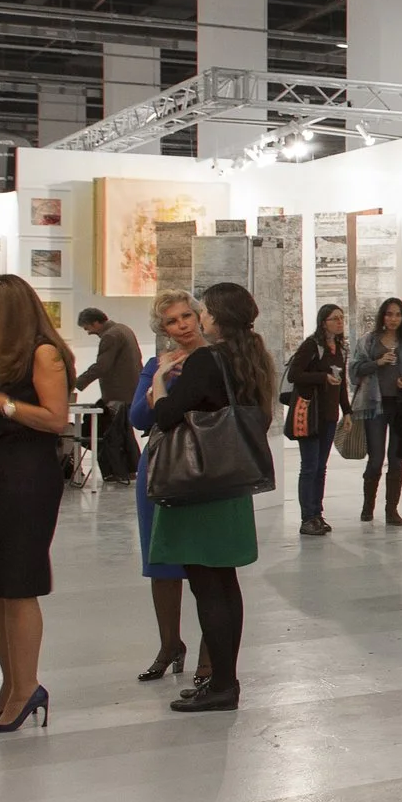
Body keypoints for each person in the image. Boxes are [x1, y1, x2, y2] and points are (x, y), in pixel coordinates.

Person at [146, 281, 274, 713]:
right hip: (229, 482)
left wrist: (161, 381)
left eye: (200, 312)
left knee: (208, 586)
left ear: (214, 317)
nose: (195, 319)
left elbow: (164, 415)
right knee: (225, 584)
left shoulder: (205, 359)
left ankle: (222, 686)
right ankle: (223, 680)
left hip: (198, 485)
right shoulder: (251, 357)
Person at [0, 274, 72, 734]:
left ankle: (26, 688)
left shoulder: (43, 354)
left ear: (8, 310)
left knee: (18, 580)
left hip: (30, 473)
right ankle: (11, 687)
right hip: (1, 470)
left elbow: (55, 419)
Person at [129, 293, 201, 686]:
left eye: (187, 316)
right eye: (173, 322)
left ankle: (211, 656)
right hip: (160, 466)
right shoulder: (159, 363)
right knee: (161, 563)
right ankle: (169, 643)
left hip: (206, 466)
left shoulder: (215, 358)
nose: (183, 326)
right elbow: (139, 415)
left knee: (207, 564)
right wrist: (159, 379)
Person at [349, 297, 402, 526]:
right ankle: (367, 506)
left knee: (397, 458)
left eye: (398, 315)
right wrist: (377, 363)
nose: (393, 319)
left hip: (401, 406)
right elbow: (354, 370)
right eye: (389, 314)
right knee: (376, 458)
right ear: (382, 316)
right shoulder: (369, 341)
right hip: (375, 406)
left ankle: (392, 510)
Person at [285, 304, 348, 536]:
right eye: (335, 319)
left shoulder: (339, 348)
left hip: (330, 415)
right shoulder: (312, 346)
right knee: (309, 467)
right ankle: (307, 517)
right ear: (324, 322)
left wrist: (347, 411)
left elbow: (342, 382)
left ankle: (317, 514)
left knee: (321, 467)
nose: (340, 322)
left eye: (341, 318)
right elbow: (295, 375)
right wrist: (323, 377)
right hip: (310, 414)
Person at [73, 308, 143, 484]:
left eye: (87, 327)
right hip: (131, 389)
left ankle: (117, 471)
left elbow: (102, 366)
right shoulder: (124, 329)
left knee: (112, 435)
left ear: (96, 322)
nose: (88, 332)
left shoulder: (110, 336)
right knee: (124, 432)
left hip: (117, 393)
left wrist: (76, 383)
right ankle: (130, 470)